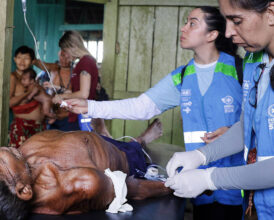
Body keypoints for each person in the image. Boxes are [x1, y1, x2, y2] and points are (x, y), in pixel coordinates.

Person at [65, 6, 244, 220]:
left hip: (236, 183)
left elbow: (258, 122)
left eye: (192, 23)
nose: (183, 27)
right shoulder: (184, 76)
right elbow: (141, 106)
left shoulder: (240, 70)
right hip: (198, 185)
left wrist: (234, 132)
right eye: (186, 22)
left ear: (212, 34)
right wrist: (91, 107)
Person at [164, 0, 274, 219]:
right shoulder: (254, 61)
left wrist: (210, 178)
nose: (228, 32)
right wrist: (201, 156)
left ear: (270, 13)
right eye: (226, 20)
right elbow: (246, 125)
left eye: (236, 20)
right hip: (258, 207)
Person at [0, 120, 171, 220]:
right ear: (23, 191)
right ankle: (141, 141)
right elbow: (134, 188)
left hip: (87, 142)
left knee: (101, 139)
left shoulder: (7, 176)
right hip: (121, 157)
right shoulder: (80, 183)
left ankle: (106, 134)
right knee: (134, 149)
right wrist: (173, 186)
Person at [52, 30, 99, 131]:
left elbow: (84, 94)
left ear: (72, 47)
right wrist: (68, 94)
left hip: (83, 115)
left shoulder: (85, 62)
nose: (66, 56)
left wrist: (62, 96)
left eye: (65, 51)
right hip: (79, 113)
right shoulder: (85, 62)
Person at [9, 46, 46, 148]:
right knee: (20, 159)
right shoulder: (13, 77)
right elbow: (9, 103)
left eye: (26, 58)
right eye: (19, 57)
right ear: (14, 59)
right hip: (22, 126)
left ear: (32, 61)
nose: (22, 61)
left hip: (38, 126)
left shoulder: (33, 77)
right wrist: (28, 92)